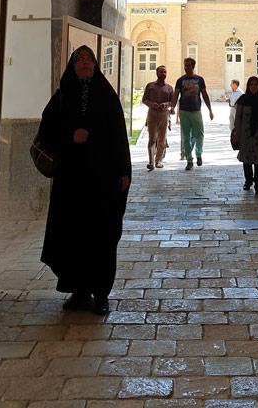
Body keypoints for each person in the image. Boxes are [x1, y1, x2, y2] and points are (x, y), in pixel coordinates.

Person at [37, 45, 131, 314]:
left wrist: (123, 171)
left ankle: (100, 293)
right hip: (72, 182)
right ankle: (78, 292)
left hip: (102, 180)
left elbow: (118, 136)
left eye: (90, 58)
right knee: (73, 234)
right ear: (72, 64)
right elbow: (46, 132)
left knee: (101, 235)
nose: (86, 62)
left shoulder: (106, 95)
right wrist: (70, 136)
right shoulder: (63, 97)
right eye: (80, 58)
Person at [232, 76, 258, 196]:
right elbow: (238, 119)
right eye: (251, 85)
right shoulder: (243, 100)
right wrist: (236, 134)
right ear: (248, 86)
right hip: (245, 134)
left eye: (256, 84)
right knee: (247, 158)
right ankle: (248, 180)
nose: (254, 87)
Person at [170, 56, 214, 170]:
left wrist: (210, 110)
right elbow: (176, 95)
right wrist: (173, 107)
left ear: (193, 66)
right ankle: (189, 160)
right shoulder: (180, 80)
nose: (186, 67)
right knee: (186, 137)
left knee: (199, 135)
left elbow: (204, 95)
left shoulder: (199, 79)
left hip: (196, 111)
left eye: (188, 65)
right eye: (185, 65)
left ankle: (199, 155)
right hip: (184, 111)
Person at [142, 64, 173, 169]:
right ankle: (150, 161)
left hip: (164, 114)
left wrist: (167, 105)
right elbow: (144, 99)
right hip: (152, 113)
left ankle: (158, 161)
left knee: (162, 139)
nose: (163, 74)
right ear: (157, 73)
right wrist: (151, 104)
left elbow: (172, 102)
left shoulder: (169, 88)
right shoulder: (150, 86)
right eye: (161, 72)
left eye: (165, 72)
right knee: (152, 139)